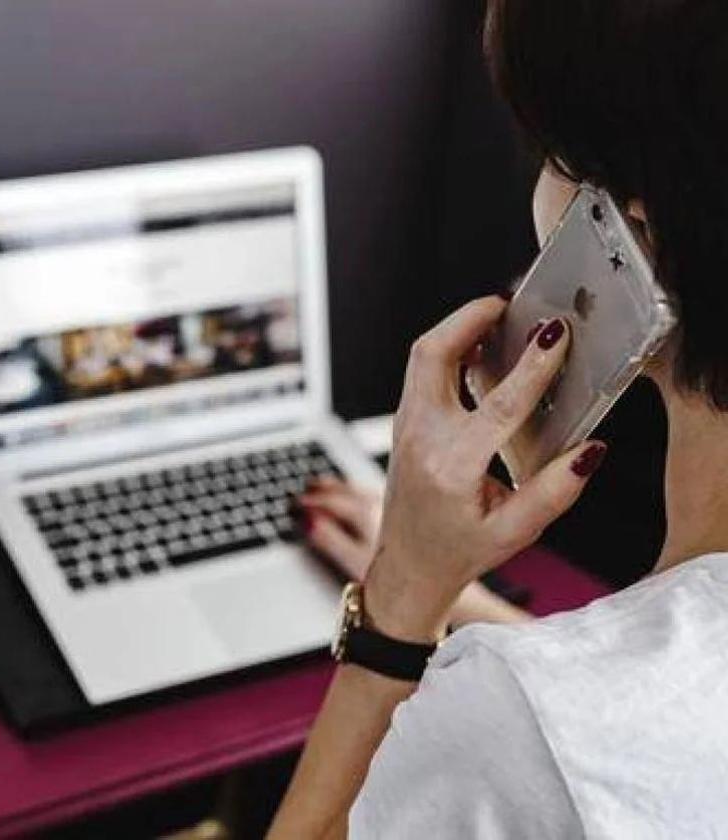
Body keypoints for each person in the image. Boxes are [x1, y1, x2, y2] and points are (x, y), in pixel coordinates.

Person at [269, 0, 728, 836]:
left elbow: (572, 749)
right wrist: (489, 618)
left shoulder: (530, 724)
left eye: (552, 155)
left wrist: (405, 587)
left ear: (635, 241)